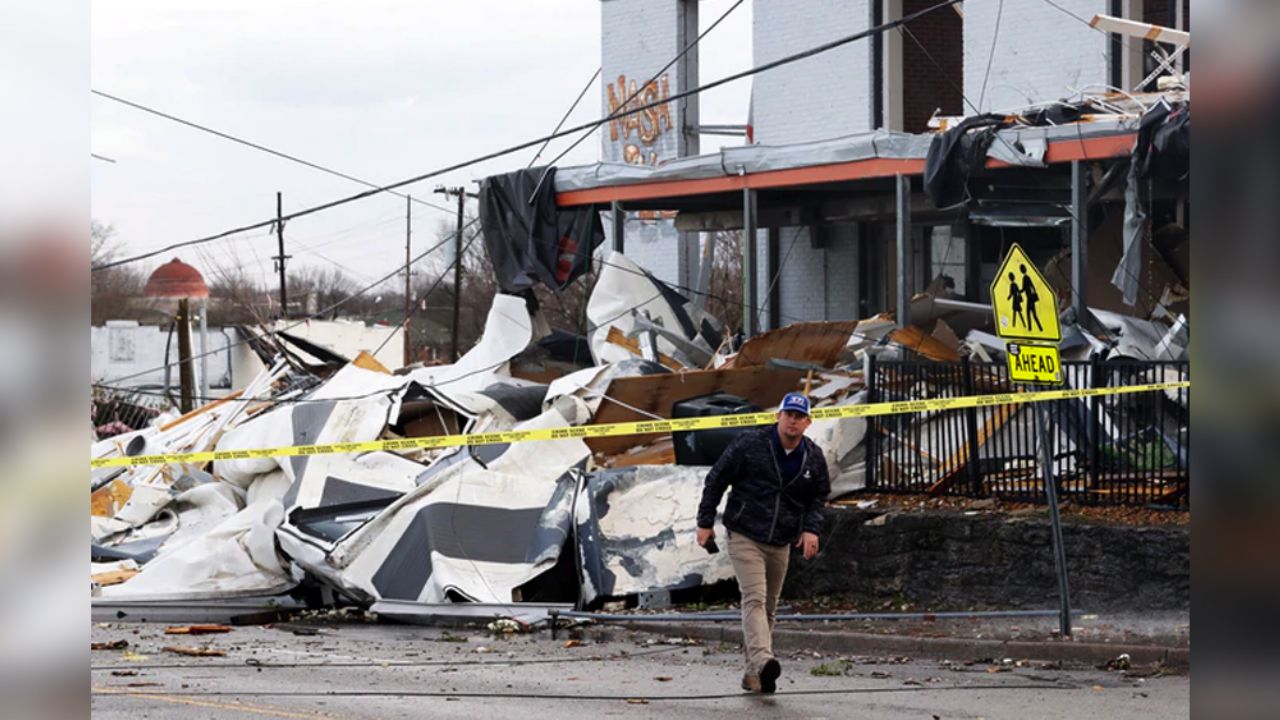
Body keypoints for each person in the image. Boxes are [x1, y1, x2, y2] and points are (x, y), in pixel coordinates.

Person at [696, 392, 831, 694]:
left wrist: (811, 529)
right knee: (754, 599)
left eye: (799, 416)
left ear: (808, 422)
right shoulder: (750, 443)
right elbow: (716, 479)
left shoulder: (812, 456)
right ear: (778, 417)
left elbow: (818, 496)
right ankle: (764, 659)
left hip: (781, 539)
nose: (793, 421)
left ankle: (753, 673)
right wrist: (705, 521)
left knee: (769, 607)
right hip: (745, 532)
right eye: (788, 415)